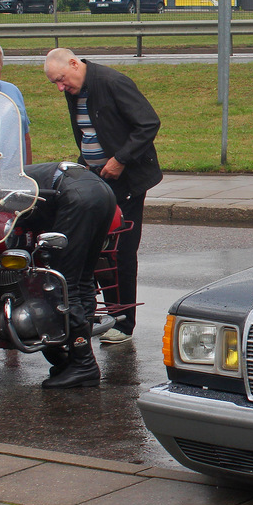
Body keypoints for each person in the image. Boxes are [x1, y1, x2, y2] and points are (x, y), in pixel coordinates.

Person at [43, 47, 162, 347]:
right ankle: (99, 313)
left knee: (120, 252)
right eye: (54, 83)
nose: (60, 87)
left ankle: (123, 321)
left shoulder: (112, 82)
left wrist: (120, 159)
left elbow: (148, 123)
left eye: (61, 80)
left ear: (74, 63)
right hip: (97, 181)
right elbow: (88, 130)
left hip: (128, 182)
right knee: (94, 249)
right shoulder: (75, 89)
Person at [21, 162, 117, 388]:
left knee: (61, 282)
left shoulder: (0, 186)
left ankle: (83, 364)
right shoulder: (15, 175)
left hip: (77, 196)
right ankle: (75, 358)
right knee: (82, 281)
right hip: (99, 190)